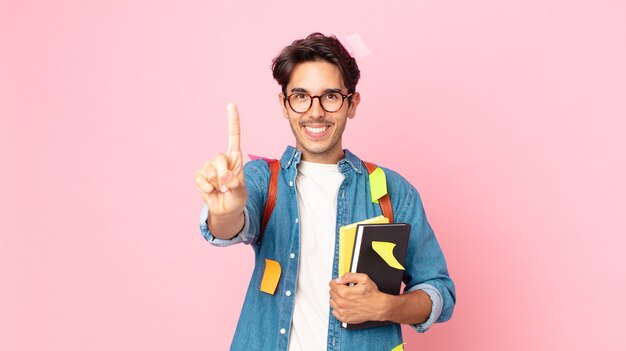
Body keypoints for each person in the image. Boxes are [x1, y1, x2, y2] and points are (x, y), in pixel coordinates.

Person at [194, 33, 455, 351]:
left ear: (352, 103)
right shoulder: (263, 179)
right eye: (301, 96)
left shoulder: (394, 192)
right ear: (284, 105)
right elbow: (230, 227)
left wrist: (386, 307)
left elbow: (439, 291)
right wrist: (225, 211)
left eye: (330, 96)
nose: (315, 112)